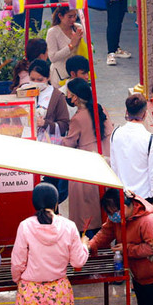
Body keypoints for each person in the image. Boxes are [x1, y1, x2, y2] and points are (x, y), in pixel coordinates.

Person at [62, 78, 111, 231]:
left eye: (69, 94)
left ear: (75, 97)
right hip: (104, 163)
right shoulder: (100, 109)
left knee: (86, 216)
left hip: (85, 167)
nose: (68, 97)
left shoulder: (78, 118)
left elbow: (68, 143)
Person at [109, 93, 153, 206]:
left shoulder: (115, 133)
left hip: (122, 195)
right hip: (143, 197)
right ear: (145, 114)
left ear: (126, 112)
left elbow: (114, 166)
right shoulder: (150, 139)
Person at [29, 60, 69, 138]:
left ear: (48, 77)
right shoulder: (22, 90)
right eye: (32, 79)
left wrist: (45, 123)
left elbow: (64, 125)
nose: (36, 82)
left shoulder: (57, 96)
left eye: (40, 80)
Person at [45, 4, 83, 84]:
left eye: (75, 16)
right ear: (60, 16)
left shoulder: (78, 28)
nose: (73, 19)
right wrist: (71, 46)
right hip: (60, 77)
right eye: (69, 17)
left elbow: (89, 48)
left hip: (78, 74)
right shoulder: (52, 32)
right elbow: (52, 57)